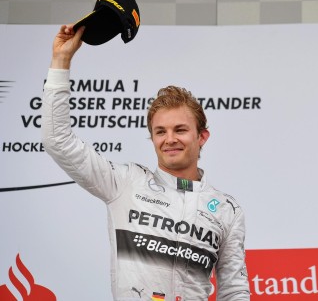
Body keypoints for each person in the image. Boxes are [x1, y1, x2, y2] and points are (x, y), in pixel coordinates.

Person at [41, 25, 250, 301]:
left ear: (202, 137)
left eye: (180, 130)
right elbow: (58, 140)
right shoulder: (124, 183)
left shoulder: (227, 210)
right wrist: (61, 61)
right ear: (152, 138)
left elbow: (234, 291)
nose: (170, 139)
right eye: (160, 131)